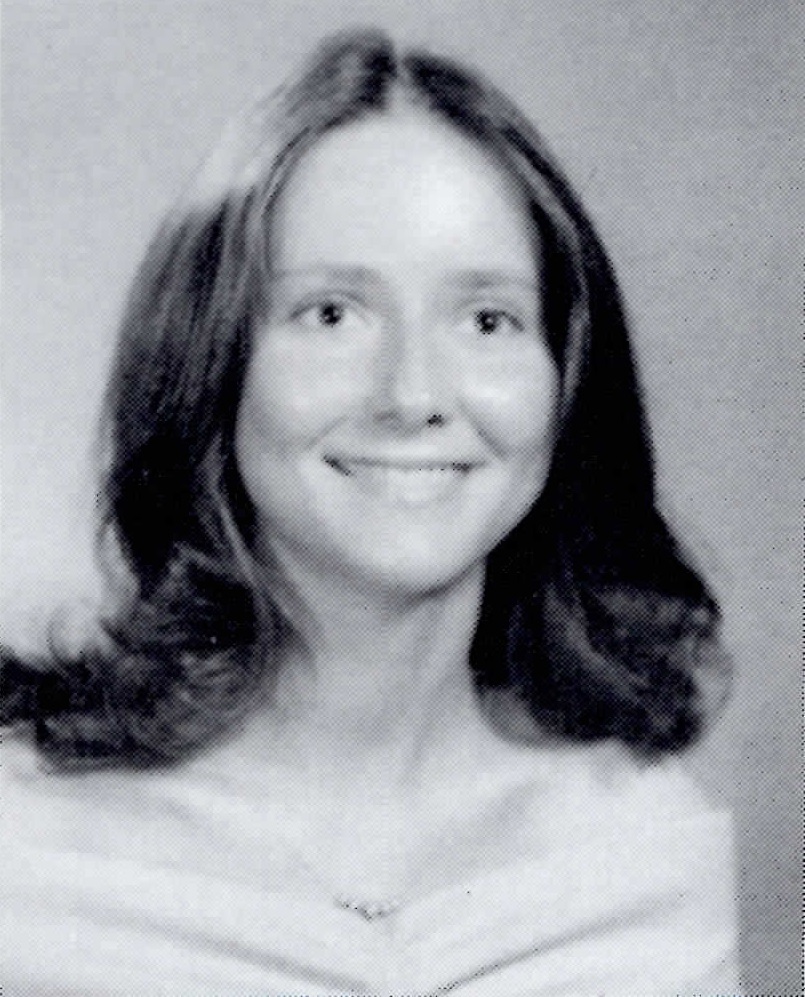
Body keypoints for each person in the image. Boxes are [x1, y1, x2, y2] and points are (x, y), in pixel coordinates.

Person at [1, 28, 741, 996]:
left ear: (566, 379)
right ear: (212, 362)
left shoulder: (644, 854)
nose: (412, 393)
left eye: (487, 319)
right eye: (332, 314)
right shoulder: (26, 856)